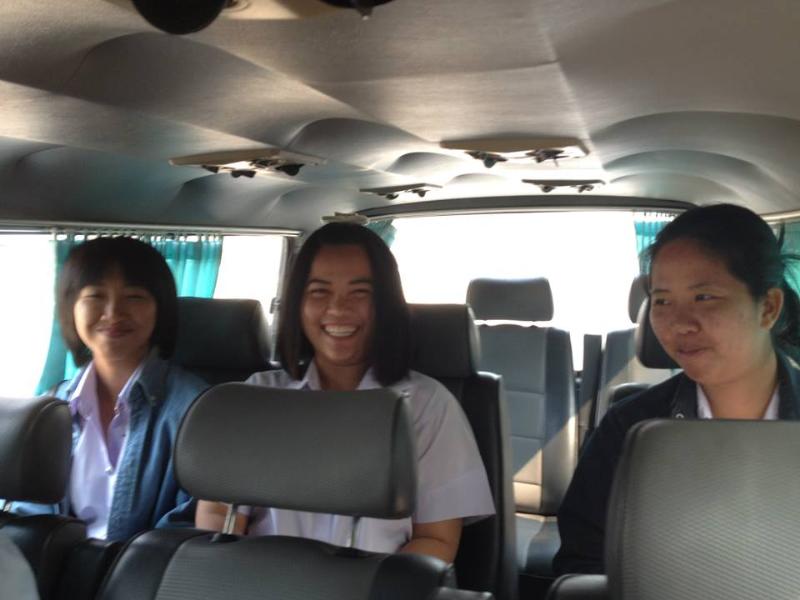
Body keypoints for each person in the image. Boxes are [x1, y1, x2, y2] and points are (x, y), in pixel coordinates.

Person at [196, 223, 494, 563]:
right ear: (297, 303)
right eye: (319, 292)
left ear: (386, 304)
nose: (338, 308)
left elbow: (436, 540)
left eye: (360, 292)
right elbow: (219, 512)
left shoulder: (428, 405)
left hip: (379, 583)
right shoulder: (256, 397)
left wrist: (362, 586)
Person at [553, 203, 800, 575]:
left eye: (704, 297)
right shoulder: (629, 429)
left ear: (768, 307)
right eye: (663, 300)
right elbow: (584, 564)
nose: (679, 323)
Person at [13, 237, 208, 542]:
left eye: (134, 297)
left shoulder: (197, 409)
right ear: (71, 307)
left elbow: (192, 527)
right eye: (95, 296)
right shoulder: (51, 407)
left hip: (150, 569)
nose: (113, 313)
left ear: (160, 309)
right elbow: (27, 516)